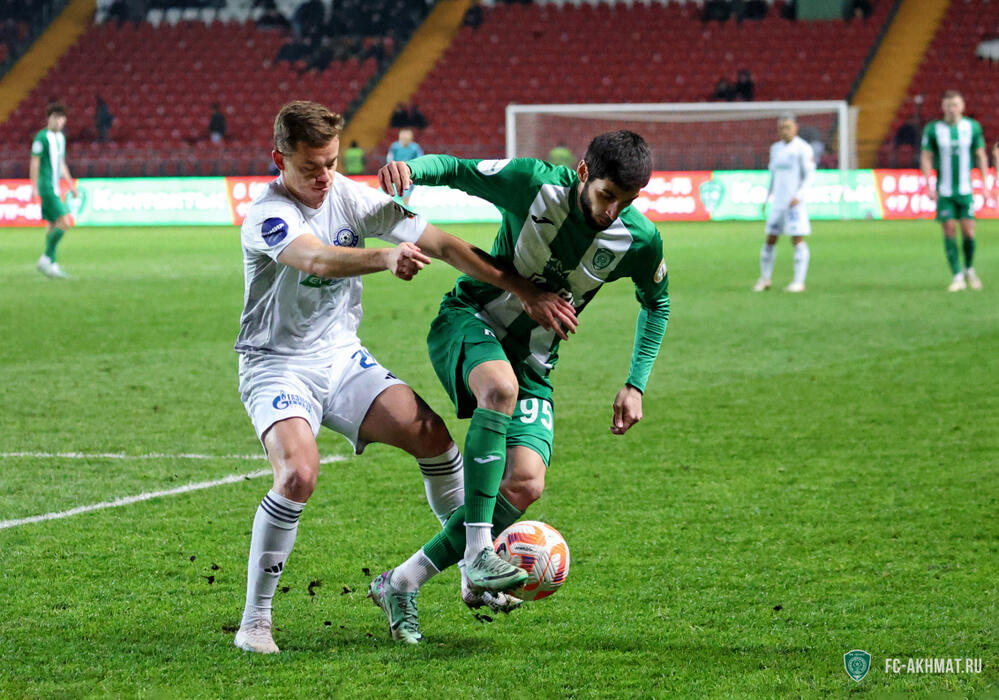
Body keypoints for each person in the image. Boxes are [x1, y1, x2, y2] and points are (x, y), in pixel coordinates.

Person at [232, 100, 573, 654]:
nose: (324, 177)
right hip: (276, 364)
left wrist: (521, 288)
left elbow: (443, 244)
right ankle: (255, 621)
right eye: (311, 167)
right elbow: (315, 259)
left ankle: (472, 566)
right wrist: (384, 259)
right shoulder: (268, 214)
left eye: (331, 163)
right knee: (298, 475)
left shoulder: (349, 196)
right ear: (279, 160)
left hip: (341, 358)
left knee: (434, 439)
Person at [370, 130, 670, 644]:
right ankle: (478, 553)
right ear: (583, 172)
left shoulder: (639, 239)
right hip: (471, 319)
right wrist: (412, 170)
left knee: (526, 483)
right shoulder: (533, 184)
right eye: (606, 195)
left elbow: (657, 302)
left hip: (534, 362)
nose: (612, 211)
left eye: (627, 201)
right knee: (499, 388)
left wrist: (635, 384)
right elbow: (458, 169)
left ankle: (400, 582)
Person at [920, 90, 991, 292]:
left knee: (968, 231)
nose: (952, 109)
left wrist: (985, 183)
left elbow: (980, 155)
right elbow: (926, 156)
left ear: (962, 106)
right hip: (944, 191)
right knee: (949, 229)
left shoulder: (972, 127)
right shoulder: (933, 129)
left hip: (965, 190)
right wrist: (929, 183)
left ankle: (969, 269)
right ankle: (957, 275)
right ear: (943, 107)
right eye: (948, 105)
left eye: (955, 105)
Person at [754, 114, 815, 293]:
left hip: (794, 204)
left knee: (797, 239)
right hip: (778, 203)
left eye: (788, 127)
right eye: (781, 128)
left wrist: (800, 195)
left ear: (795, 128)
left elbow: (810, 175)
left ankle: (799, 282)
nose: (785, 131)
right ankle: (765, 279)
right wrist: (767, 198)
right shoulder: (775, 149)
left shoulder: (803, 148)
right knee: (770, 239)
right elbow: (773, 176)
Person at [31, 102, 78, 279]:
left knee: (52, 225)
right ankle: (45, 259)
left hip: (56, 187)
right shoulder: (41, 138)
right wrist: (34, 186)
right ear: (49, 118)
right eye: (55, 118)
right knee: (64, 222)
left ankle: (52, 265)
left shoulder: (61, 138)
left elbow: (61, 163)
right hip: (47, 186)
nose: (59, 121)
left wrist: (71, 185)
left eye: (62, 118)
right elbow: (35, 162)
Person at [386, 128, 424, 205]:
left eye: (407, 138)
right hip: (396, 172)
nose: (405, 140)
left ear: (410, 139)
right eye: (403, 138)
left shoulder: (415, 147)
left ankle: (406, 206)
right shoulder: (395, 147)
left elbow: (420, 160)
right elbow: (389, 159)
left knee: (407, 193)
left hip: (409, 173)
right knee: (395, 193)